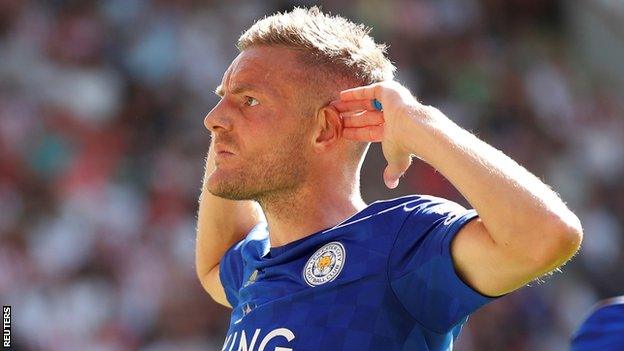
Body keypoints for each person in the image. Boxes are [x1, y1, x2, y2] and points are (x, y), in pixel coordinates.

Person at [195, 7, 583, 351]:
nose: (212, 118)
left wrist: (418, 122)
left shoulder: (397, 241)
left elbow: (547, 236)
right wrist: (232, 122)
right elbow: (212, 263)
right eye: (222, 98)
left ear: (325, 129)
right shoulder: (254, 261)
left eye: (250, 101)